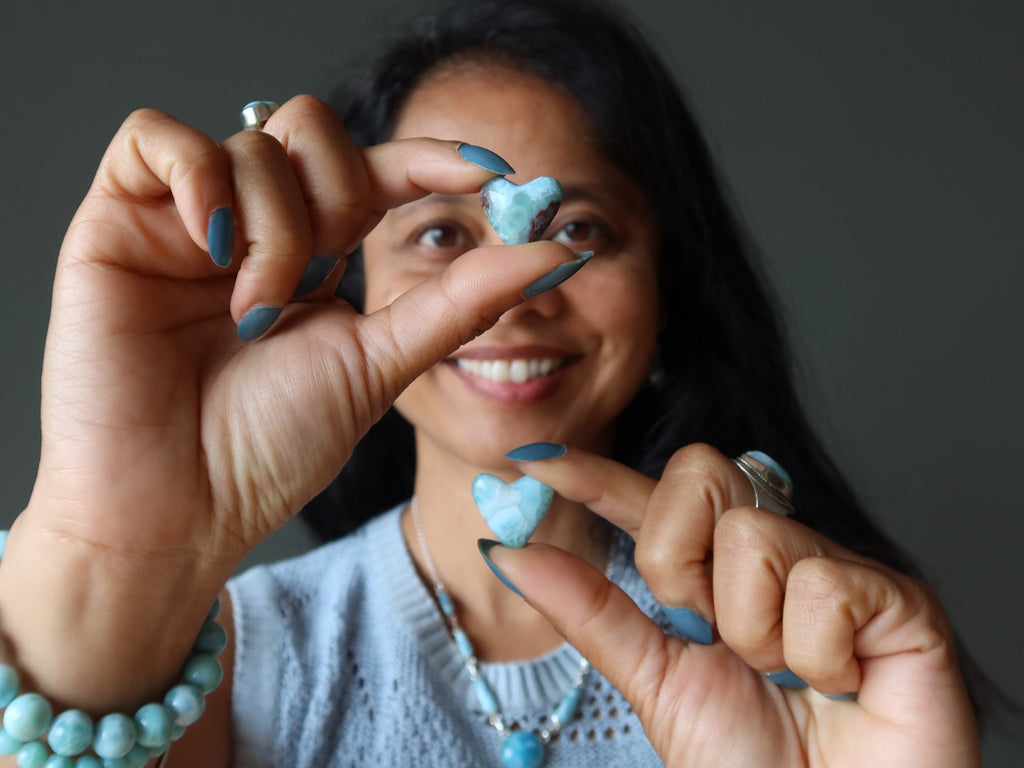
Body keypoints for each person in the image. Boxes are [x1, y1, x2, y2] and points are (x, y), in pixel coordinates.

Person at [0, 0, 991, 765]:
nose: (507, 298)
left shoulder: (798, 668)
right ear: (351, 288)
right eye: (439, 234)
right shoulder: (244, 655)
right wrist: (115, 549)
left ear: (667, 294)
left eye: (578, 231)